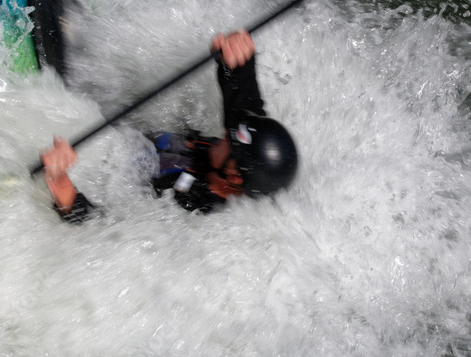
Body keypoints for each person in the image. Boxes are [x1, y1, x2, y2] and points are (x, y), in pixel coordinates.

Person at [38, 30, 298, 223]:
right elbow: (245, 107)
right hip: (137, 143)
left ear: (233, 178)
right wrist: (239, 61)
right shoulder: (240, 158)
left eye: (230, 142)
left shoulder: (188, 209)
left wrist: (61, 185)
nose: (225, 135)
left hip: (117, 178)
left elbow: (106, 228)